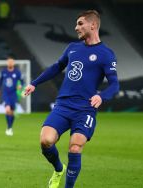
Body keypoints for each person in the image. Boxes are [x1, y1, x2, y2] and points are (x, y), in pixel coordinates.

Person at [24, 10, 119, 188]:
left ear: (93, 25)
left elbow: (114, 84)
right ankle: (59, 169)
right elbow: (56, 67)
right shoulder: (72, 48)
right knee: (45, 141)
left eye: (80, 23)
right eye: (76, 24)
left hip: (85, 109)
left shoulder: (106, 53)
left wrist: (101, 95)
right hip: (63, 105)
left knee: (75, 147)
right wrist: (35, 83)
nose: (76, 28)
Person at [0, 56, 24, 136]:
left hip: (13, 94)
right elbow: (0, 81)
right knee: (7, 110)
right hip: (6, 93)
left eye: (11, 61)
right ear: (7, 63)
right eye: (9, 61)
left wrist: (20, 85)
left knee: (12, 112)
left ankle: (10, 127)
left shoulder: (17, 72)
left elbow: (22, 81)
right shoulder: (3, 71)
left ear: (13, 63)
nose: (10, 63)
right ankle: (9, 128)